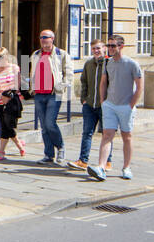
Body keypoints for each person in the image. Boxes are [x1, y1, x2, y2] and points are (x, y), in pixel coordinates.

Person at [88, 34, 144, 181]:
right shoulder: (108, 63)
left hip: (126, 106)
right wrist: (103, 101)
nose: (110, 48)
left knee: (127, 137)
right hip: (110, 105)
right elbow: (103, 83)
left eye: (113, 46)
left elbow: (139, 87)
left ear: (121, 46)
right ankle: (101, 167)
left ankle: (126, 167)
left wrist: (131, 105)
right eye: (109, 45)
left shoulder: (132, 64)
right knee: (107, 135)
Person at [29, 28, 72, 167]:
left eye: (46, 37)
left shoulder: (61, 54)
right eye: (41, 37)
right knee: (44, 126)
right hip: (39, 94)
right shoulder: (35, 54)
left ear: (52, 39)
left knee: (50, 123)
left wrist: (62, 86)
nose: (43, 39)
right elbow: (29, 72)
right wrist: (29, 89)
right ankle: (48, 154)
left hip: (54, 94)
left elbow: (69, 72)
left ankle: (60, 147)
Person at [73, 39, 112, 171]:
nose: (96, 51)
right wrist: (83, 99)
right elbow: (83, 81)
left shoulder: (110, 64)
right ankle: (83, 160)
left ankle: (107, 162)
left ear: (104, 49)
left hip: (105, 106)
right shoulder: (89, 63)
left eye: (98, 48)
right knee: (87, 133)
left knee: (106, 134)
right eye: (94, 48)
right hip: (89, 104)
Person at [0, 47, 26, 160]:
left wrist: (7, 96)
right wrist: (0, 96)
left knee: (7, 126)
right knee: (5, 125)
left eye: (1, 57)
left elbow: (17, 86)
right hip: (0, 103)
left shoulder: (14, 68)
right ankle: (19, 145)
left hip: (11, 102)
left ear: (7, 57)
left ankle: (1, 152)